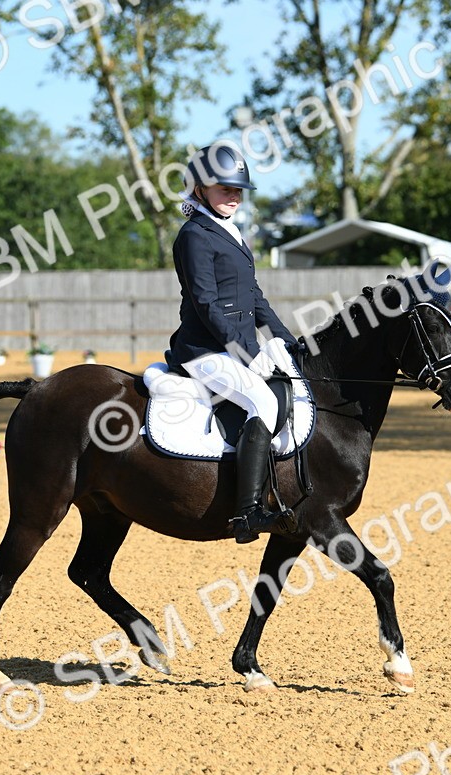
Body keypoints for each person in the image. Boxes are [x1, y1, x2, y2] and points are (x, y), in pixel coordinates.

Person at [167, 143, 299, 544]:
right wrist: (247, 352)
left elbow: (254, 296)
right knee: (263, 401)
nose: (234, 196)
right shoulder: (194, 235)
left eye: (238, 190)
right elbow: (206, 303)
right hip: (204, 351)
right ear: (200, 189)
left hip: (233, 347)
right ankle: (247, 513)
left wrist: (286, 341)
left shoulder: (231, 232)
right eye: (225, 189)